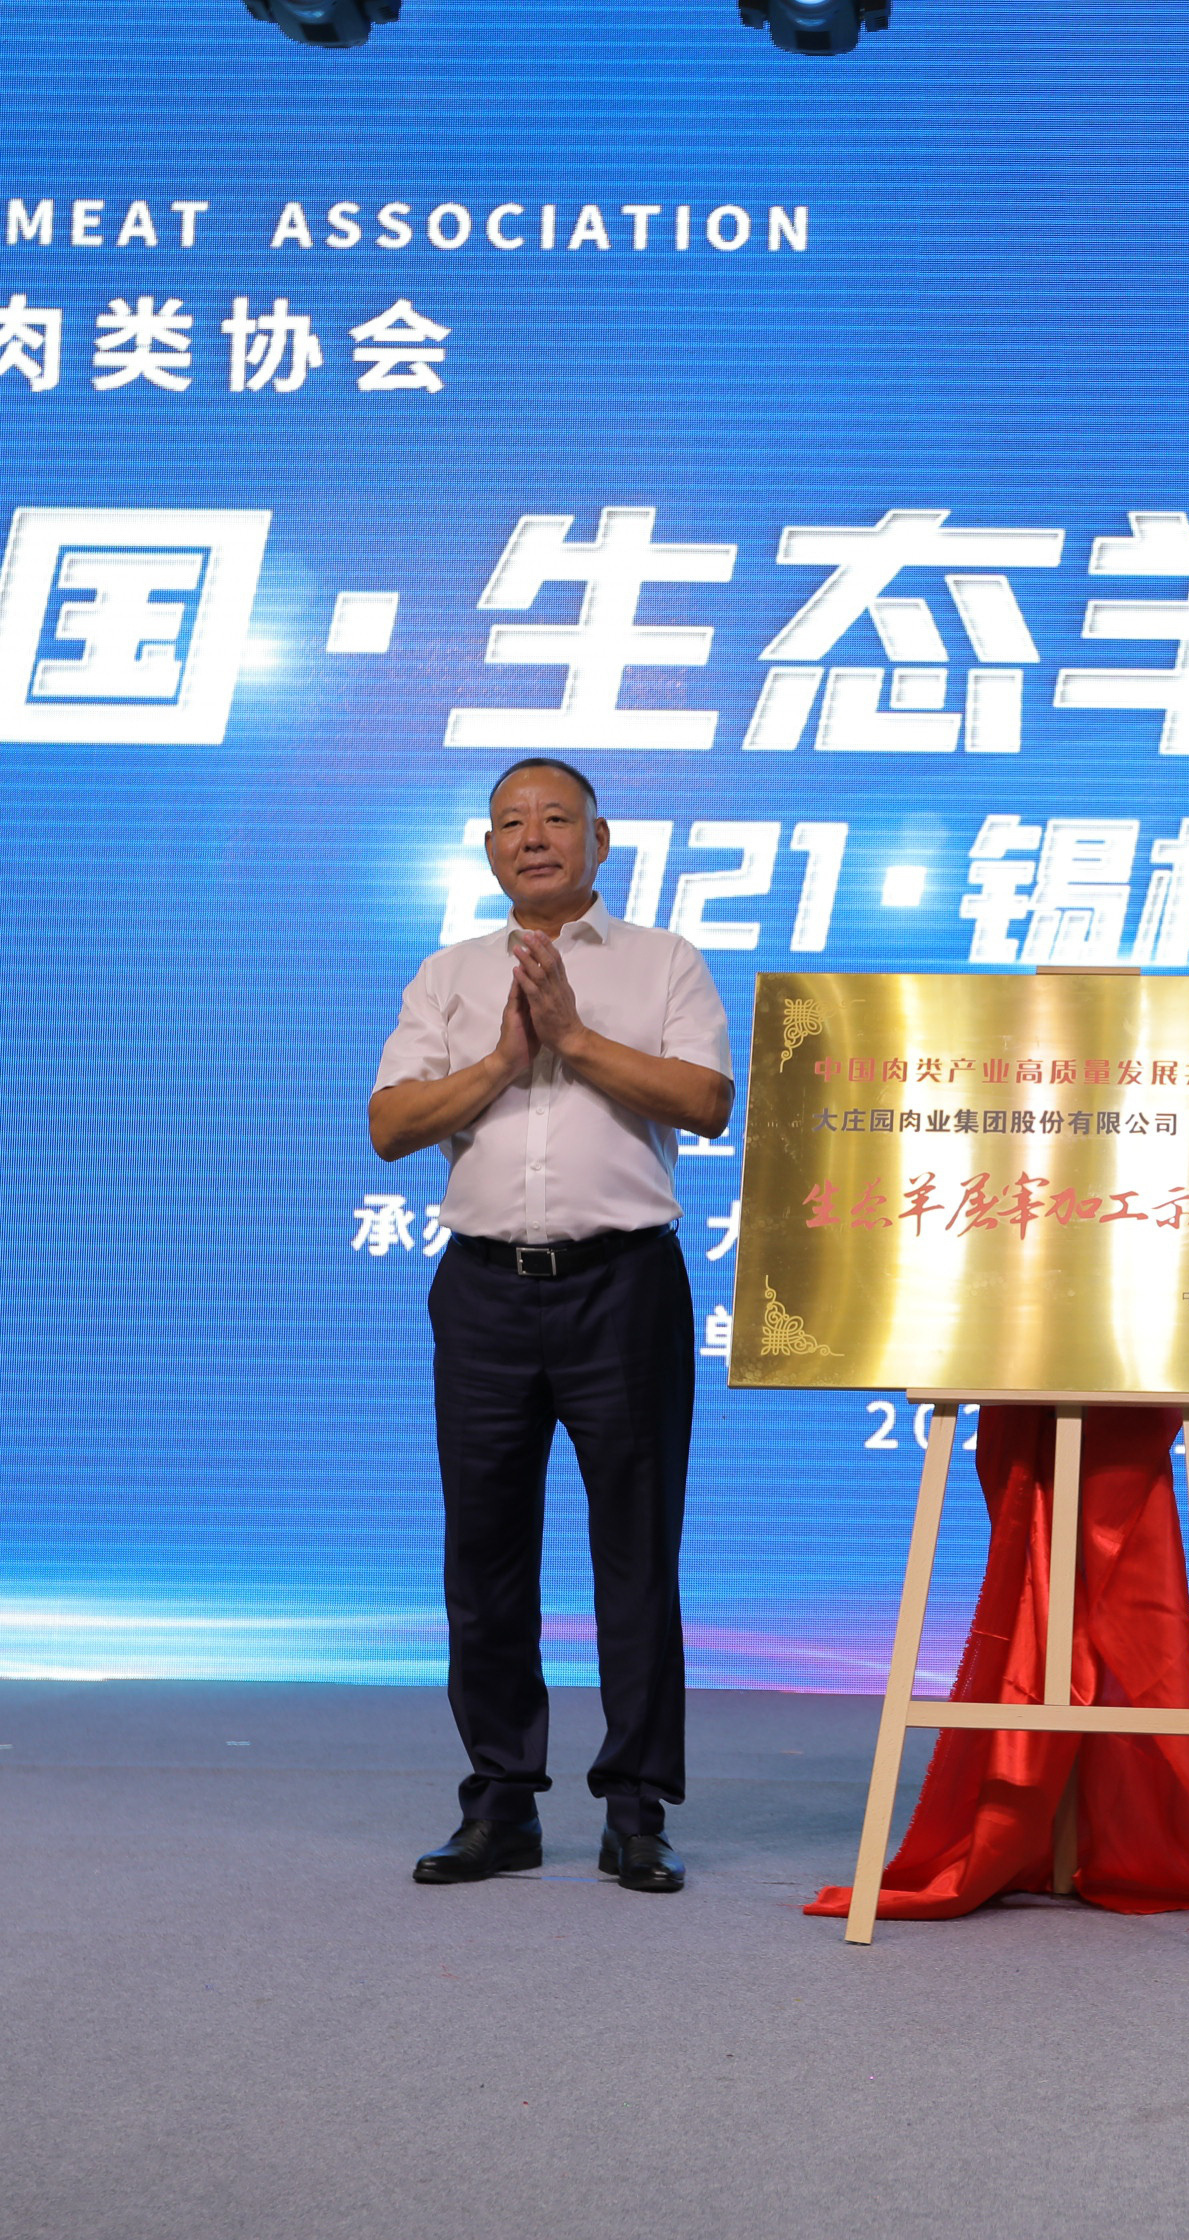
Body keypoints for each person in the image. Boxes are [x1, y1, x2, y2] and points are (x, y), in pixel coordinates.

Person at [368, 758, 733, 1896]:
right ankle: (499, 1803)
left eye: (557, 818)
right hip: (484, 1291)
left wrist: (573, 1038)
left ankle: (636, 1808)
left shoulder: (664, 961)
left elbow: (708, 1101)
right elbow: (390, 1124)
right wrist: (500, 1063)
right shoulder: (449, 973)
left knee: (636, 1547)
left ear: (600, 839)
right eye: (511, 822)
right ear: (488, 850)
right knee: (483, 1553)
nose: (534, 837)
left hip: (623, 1285)